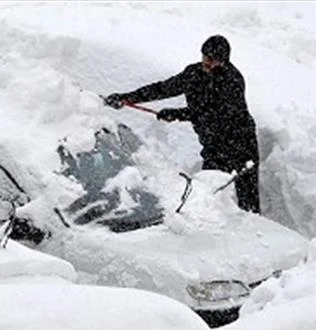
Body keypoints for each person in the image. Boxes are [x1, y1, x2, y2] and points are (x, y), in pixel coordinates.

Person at [104, 34, 260, 214]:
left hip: (241, 145)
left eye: (213, 60)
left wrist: (177, 114)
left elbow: (216, 115)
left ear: (224, 61)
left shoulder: (233, 81)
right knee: (207, 198)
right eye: (205, 57)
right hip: (213, 147)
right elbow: (162, 88)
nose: (207, 63)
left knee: (248, 203)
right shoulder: (193, 74)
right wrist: (126, 98)